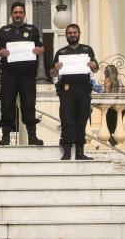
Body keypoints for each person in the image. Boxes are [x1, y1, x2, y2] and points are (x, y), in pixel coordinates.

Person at [0, 1, 45, 146]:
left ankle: (32, 137)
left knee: (29, 104)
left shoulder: (32, 29)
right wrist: (0, 52)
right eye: (15, 12)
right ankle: (5, 137)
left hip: (28, 75)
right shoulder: (4, 31)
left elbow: (41, 47)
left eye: (20, 12)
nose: (18, 15)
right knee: (7, 105)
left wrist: (41, 49)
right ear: (11, 14)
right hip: (9, 74)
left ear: (24, 14)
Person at [50, 23, 97, 159]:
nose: (72, 35)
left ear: (79, 33)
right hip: (67, 90)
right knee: (67, 120)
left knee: (82, 120)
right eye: (69, 33)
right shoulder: (61, 52)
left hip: (83, 89)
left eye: (74, 32)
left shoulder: (87, 49)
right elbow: (52, 74)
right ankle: (66, 151)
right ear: (66, 35)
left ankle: (80, 152)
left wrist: (94, 65)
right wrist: (56, 68)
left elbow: (95, 68)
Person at [103, 64, 124, 145]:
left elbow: (106, 94)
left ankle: (114, 145)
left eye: (105, 71)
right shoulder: (120, 81)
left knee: (109, 131)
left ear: (107, 72)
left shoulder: (107, 80)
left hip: (111, 109)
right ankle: (117, 145)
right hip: (120, 109)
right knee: (117, 129)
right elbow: (124, 94)